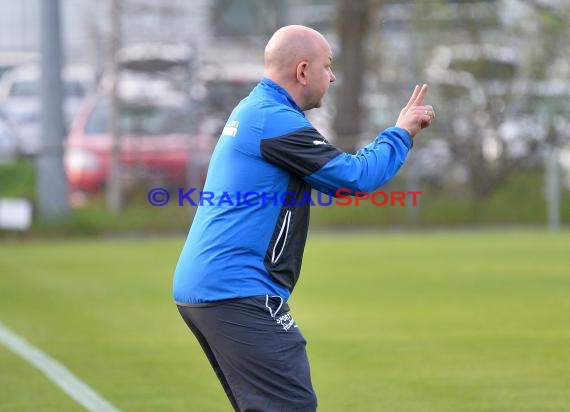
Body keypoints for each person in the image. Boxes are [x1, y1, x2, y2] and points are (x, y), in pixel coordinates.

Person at [173, 25, 435, 411]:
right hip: (237, 291)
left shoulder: (256, 109)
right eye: (327, 66)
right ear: (302, 72)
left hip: (215, 289)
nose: (332, 76)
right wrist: (401, 133)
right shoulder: (272, 120)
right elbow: (353, 179)